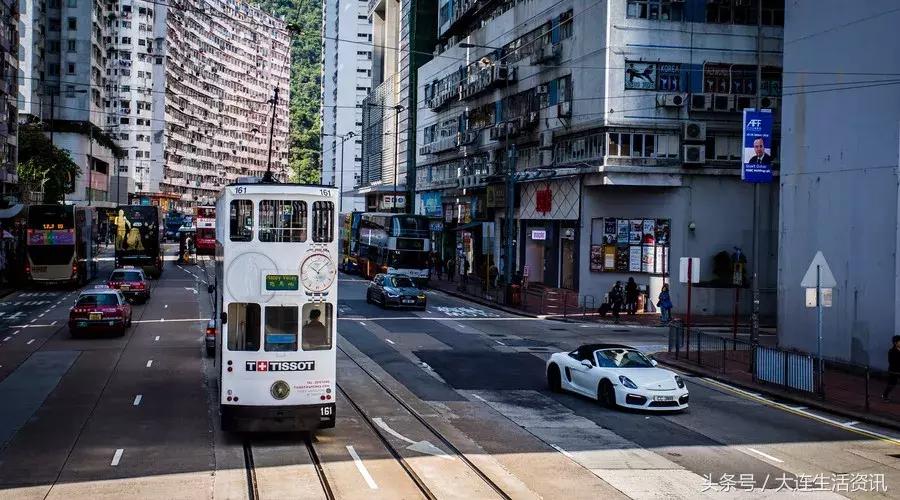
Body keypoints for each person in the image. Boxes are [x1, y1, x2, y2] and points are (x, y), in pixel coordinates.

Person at [883, 335, 900, 402]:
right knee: (891, 384)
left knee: (892, 383)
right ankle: (885, 395)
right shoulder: (891, 351)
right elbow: (891, 361)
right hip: (894, 371)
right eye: (899, 342)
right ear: (895, 343)